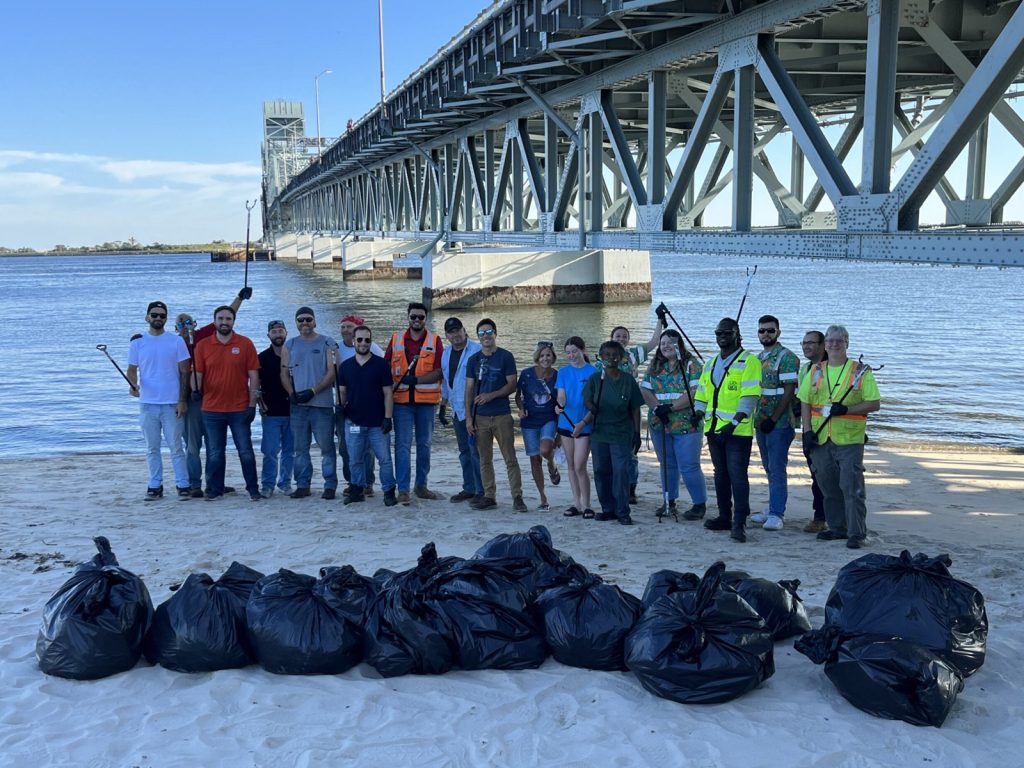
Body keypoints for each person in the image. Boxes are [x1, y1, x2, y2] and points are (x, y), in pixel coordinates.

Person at [799, 324, 881, 549]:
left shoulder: (859, 371)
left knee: (851, 487)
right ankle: (837, 528)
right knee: (828, 486)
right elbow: (805, 400)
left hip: (849, 439)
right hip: (820, 437)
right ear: (825, 344)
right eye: (830, 340)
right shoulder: (815, 370)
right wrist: (806, 431)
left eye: (839, 340)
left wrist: (846, 410)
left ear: (847, 343)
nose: (834, 344)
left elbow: (874, 403)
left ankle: (857, 533)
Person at [174, 287, 252, 498]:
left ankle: (214, 483)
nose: (185, 326)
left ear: (195, 324)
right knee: (192, 445)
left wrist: (240, 297)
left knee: (214, 445)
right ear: (175, 328)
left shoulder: (202, 336)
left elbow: (227, 315)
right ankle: (193, 484)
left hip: (210, 399)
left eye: (188, 321)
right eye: (181, 323)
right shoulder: (172, 344)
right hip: (189, 400)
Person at [693, 317, 762, 542]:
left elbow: (749, 397)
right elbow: (703, 392)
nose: (722, 337)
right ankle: (724, 516)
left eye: (727, 333)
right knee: (720, 474)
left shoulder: (749, 361)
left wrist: (732, 425)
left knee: (737, 475)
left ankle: (739, 522)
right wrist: (698, 413)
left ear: (737, 334)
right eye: (718, 333)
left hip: (737, 432)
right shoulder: (711, 363)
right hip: (714, 430)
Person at [193, 305, 261, 501]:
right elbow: (197, 375)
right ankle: (215, 489)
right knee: (214, 452)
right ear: (214, 321)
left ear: (233, 321)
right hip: (211, 409)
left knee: (246, 451)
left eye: (228, 319)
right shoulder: (203, 345)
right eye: (221, 319)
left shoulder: (245, 344)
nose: (224, 322)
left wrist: (252, 404)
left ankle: (253, 489)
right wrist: (194, 391)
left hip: (239, 408)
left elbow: (254, 377)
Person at [126, 301, 191, 499]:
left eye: (162, 315)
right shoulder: (137, 343)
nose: (158, 318)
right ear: (147, 317)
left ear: (166, 318)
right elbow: (132, 370)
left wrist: (182, 400)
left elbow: (185, 372)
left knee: (176, 446)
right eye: (154, 315)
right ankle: (155, 484)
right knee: (152, 448)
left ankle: (183, 484)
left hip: (172, 403)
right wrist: (133, 386)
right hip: (147, 404)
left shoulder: (176, 341)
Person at [575, 341, 644, 525]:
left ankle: (622, 511)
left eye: (615, 355)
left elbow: (635, 408)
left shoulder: (628, 380)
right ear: (601, 357)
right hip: (600, 432)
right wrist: (593, 408)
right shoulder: (597, 379)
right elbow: (587, 400)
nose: (611, 358)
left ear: (621, 358)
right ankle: (607, 509)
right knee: (601, 470)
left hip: (622, 432)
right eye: (607, 355)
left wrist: (637, 433)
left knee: (621, 471)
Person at [640, 329, 707, 520]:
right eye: (663, 343)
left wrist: (670, 408)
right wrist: (656, 409)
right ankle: (669, 502)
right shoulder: (655, 366)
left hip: (686, 424)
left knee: (689, 465)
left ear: (679, 344)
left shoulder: (691, 365)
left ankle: (699, 504)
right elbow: (645, 389)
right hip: (660, 424)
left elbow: (695, 392)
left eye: (671, 342)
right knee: (666, 464)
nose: (666, 346)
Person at [386, 302, 445, 503]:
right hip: (401, 402)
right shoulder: (395, 340)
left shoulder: (435, 340)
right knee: (402, 446)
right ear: (408, 318)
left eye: (420, 317)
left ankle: (421, 485)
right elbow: (384, 368)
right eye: (413, 317)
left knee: (424, 444)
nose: (417, 320)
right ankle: (403, 489)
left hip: (426, 402)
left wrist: (418, 380)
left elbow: (439, 371)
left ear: (425, 318)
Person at [465, 318, 526, 512]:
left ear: (495, 333)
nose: (486, 336)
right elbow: (468, 389)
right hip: (480, 417)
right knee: (484, 458)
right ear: (478, 337)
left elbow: (512, 385)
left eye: (489, 332)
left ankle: (517, 496)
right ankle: (489, 495)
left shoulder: (505, 356)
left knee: (510, 457)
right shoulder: (473, 360)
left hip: (501, 414)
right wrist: (468, 418)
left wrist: (491, 396)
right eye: (482, 333)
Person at [280, 307, 339, 499]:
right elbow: (284, 373)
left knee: (327, 448)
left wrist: (313, 391)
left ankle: (329, 485)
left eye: (308, 319)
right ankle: (303, 485)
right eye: (300, 320)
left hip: (321, 405)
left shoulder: (327, 342)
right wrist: (291, 393)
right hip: (298, 407)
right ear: (295, 323)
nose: (304, 323)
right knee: (300, 449)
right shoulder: (289, 345)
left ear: (314, 321)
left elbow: (332, 372)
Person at [336, 325, 398, 507]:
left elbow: (388, 393)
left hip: (377, 423)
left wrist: (388, 418)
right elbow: (342, 393)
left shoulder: (381, 365)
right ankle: (357, 490)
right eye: (360, 340)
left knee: (385, 459)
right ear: (353, 341)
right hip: (353, 422)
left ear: (371, 342)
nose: (363, 343)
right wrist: (340, 409)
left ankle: (388, 491)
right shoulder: (345, 367)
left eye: (367, 340)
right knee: (354, 459)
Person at [749, 314, 800, 532]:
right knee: (769, 467)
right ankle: (772, 508)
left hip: (779, 422)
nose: (766, 334)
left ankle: (778, 513)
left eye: (770, 330)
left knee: (778, 468)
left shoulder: (786, 357)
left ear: (778, 332)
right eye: (762, 330)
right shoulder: (759, 357)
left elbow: (789, 391)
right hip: (761, 421)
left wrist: (773, 417)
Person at [610, 310, 666, 504]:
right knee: (612, 451)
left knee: (632, 452)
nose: (621, 339)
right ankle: (616, 487)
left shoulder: (633, 355)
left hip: (630, 407)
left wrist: (660, 319)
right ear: (611, 339)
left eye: (624, 336)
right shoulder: (604, 356)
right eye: (618, 336)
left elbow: (654, 341)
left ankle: (631, 488)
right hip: (610, 410)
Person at [440, 316, 483, 504]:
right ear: (447, 335)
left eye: (457, 330)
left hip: (475, 410)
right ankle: (469, 487)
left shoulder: (476, 350)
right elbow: (446, 381)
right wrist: (443, 405)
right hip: (457, 410)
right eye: (451, 331)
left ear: (464, 330)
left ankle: (482, 491)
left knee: (477, 451)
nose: (455, 334)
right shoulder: (445, 353)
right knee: (464, 451)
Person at [336, 313, 380, 496]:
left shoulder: (374, 348)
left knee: (367, 448)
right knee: (345, 447)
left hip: (368, 407)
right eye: (343, 326)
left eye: (350, 327)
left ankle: (367, 482)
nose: (346, 330)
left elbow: (381, 375)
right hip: (344, 406)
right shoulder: (335, 348)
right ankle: (353, 481)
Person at [516, 341, 561, 512]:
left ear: (553, 357)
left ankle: (551, 463)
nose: (545, 358)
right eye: (542, 355)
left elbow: (561, 400)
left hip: (549, 419)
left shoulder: (557, 376)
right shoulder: (527, 374)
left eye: (548, 355)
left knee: (545, 450)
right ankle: (543, 498)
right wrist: (521, 409)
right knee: (534, 460)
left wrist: (560, 428)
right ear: (537, 357)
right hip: (529, 422)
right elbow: (518, 395)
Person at [557, 336, 597, 518]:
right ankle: (577, 504)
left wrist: (583, 423)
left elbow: (595, 404)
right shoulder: (563, 372)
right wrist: (560, 405)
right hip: (565, 423)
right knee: (571, 465)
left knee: (580, 465)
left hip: (584, 424)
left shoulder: (593, 372)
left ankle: (588, 504)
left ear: (582, 351)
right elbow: (561, 395)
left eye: (574, 351)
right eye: (568, 353)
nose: (571, 355)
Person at [257, 320, 293, 498]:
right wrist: (259, 404)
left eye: (280, 331)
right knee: (270, 451)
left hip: (293, 411)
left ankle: (285, 483)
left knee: (289, 452)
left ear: (286, 333)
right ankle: (267, 484)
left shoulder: (294, 354)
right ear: (268, 335)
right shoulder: (262, 358)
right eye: (274, 332)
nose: (278, 334)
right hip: (270, 412)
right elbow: (256, 384)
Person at [798, 330, 828, 533]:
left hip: (833, 431)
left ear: (822, 345)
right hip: (811, 429)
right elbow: (803, 400)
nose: (806, 346)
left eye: (811, 343)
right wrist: (806, 430)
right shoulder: (805, 369)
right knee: (816, 476)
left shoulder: (833, 368)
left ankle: (828, 517)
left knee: (830, 478)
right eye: (804, 343)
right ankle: (820, 517)